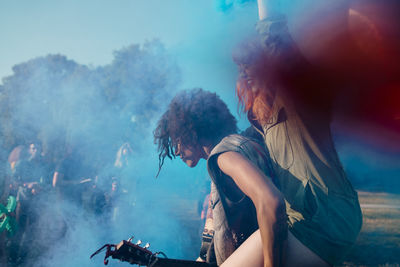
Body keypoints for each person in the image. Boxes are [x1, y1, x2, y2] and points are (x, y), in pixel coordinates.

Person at [225, 0, 362, 266]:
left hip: (325, 217)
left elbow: (273, 34)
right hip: (304, 217)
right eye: (241, 66)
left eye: (252, 62)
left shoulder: (295, 97)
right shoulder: (263, 122)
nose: (245, 71)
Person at [154, 88, 281, 266]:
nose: (176, 151)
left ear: (192, 131)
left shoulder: (223, 156)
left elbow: (270, 201)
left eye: (177, 140)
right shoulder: (240, 144)